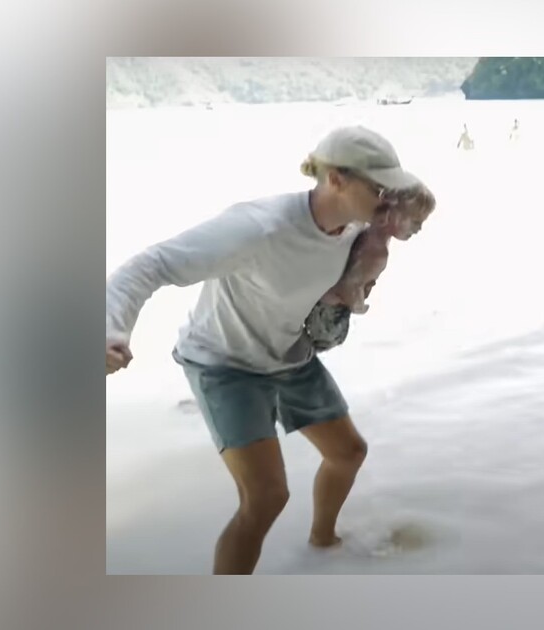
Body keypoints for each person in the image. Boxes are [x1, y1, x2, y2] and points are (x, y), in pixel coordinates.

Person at [105, 125, 435, 574]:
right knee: (266, 498)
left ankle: (323, 545)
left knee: (348, 454)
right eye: (380, 189)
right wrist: (111, 330)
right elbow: (150, 265)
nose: (389, 201)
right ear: (335, 179)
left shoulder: (360, 225)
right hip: (224, 364)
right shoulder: (259, 228)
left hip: (288, 354)